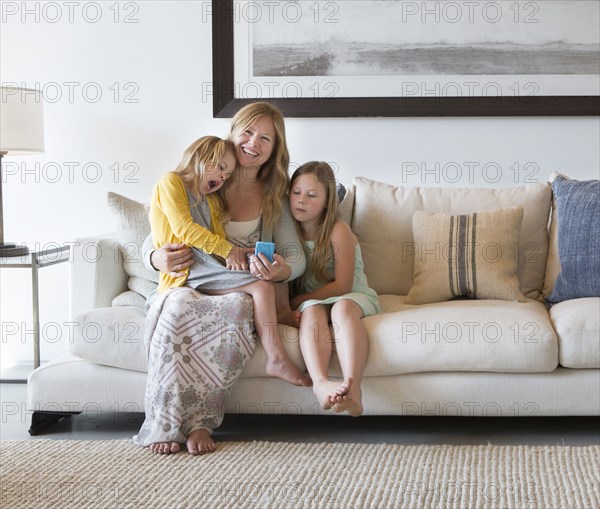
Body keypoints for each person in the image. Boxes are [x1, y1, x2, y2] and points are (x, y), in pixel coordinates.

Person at [135, 102, 308, 455]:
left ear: (275, 149)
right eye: (247, 132)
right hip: (193, 279)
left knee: (235, 311)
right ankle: (165, 422)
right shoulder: (204, 181)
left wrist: (282, 270)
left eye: (265, 139)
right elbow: (161, 231)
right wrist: (155, 257)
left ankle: (199, 420)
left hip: (233, 285)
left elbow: (296, 257)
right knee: (177, 309)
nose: (252, 143)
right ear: (231, 134)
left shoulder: (275, 193)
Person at [150, 134, 305, 389]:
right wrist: (226, 250)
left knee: (261, 271)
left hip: (204, 265)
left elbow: (218, 238)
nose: (222, 178)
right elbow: (186, 229)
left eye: (226, 175)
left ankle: (280, 322)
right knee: (261, 285)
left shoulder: (210, 199)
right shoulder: (171, 182)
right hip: (186, 269)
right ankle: (276, 357)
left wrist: (240, 253)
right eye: (221, 168)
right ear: (199, 157)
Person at [289, 161, 381, 417]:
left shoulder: (338, 230)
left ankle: (353, 388)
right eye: (296, 192)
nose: (301, 200)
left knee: (340, 308)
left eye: (311, 195)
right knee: (313, 311)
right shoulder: (288, 233)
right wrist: (301, 302)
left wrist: (300, 298)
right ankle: (320, 384)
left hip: (352, 295)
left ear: (327, 201)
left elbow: (343, 284)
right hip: (317, 301)